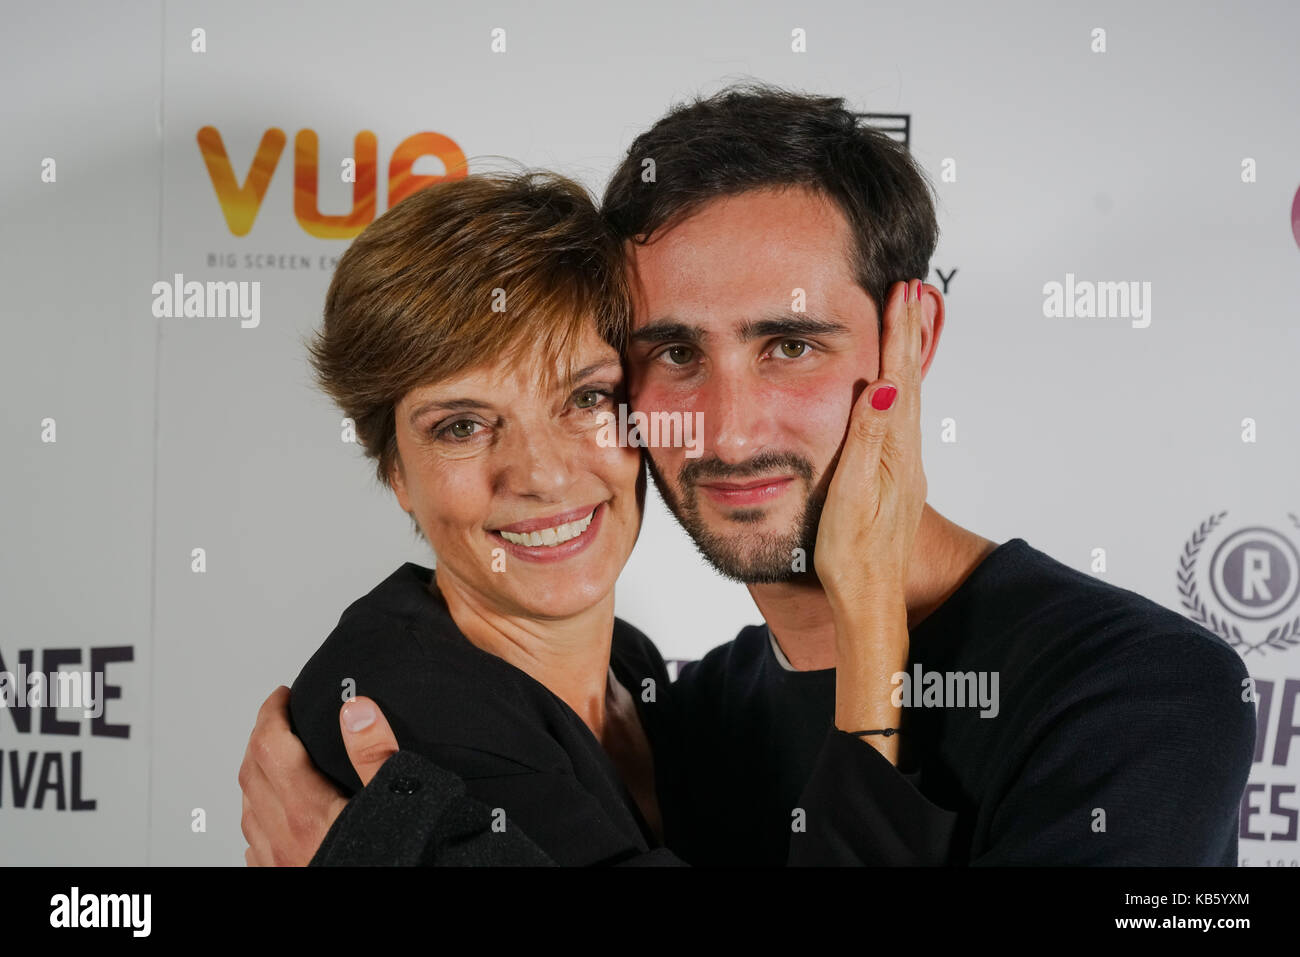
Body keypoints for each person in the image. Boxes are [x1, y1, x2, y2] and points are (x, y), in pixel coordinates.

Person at [242, 83, 1254, 867]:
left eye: (789, 345)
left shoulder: (1134, 692)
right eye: (675, 352)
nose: (726, 431)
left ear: (912, 340)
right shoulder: (696, 711)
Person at [245, 165, 930, 866]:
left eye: (584, 399)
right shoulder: (411, 716)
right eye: (461, 426)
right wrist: (873, 615)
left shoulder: (631, 667)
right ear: (396, 470)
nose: (541, 474)